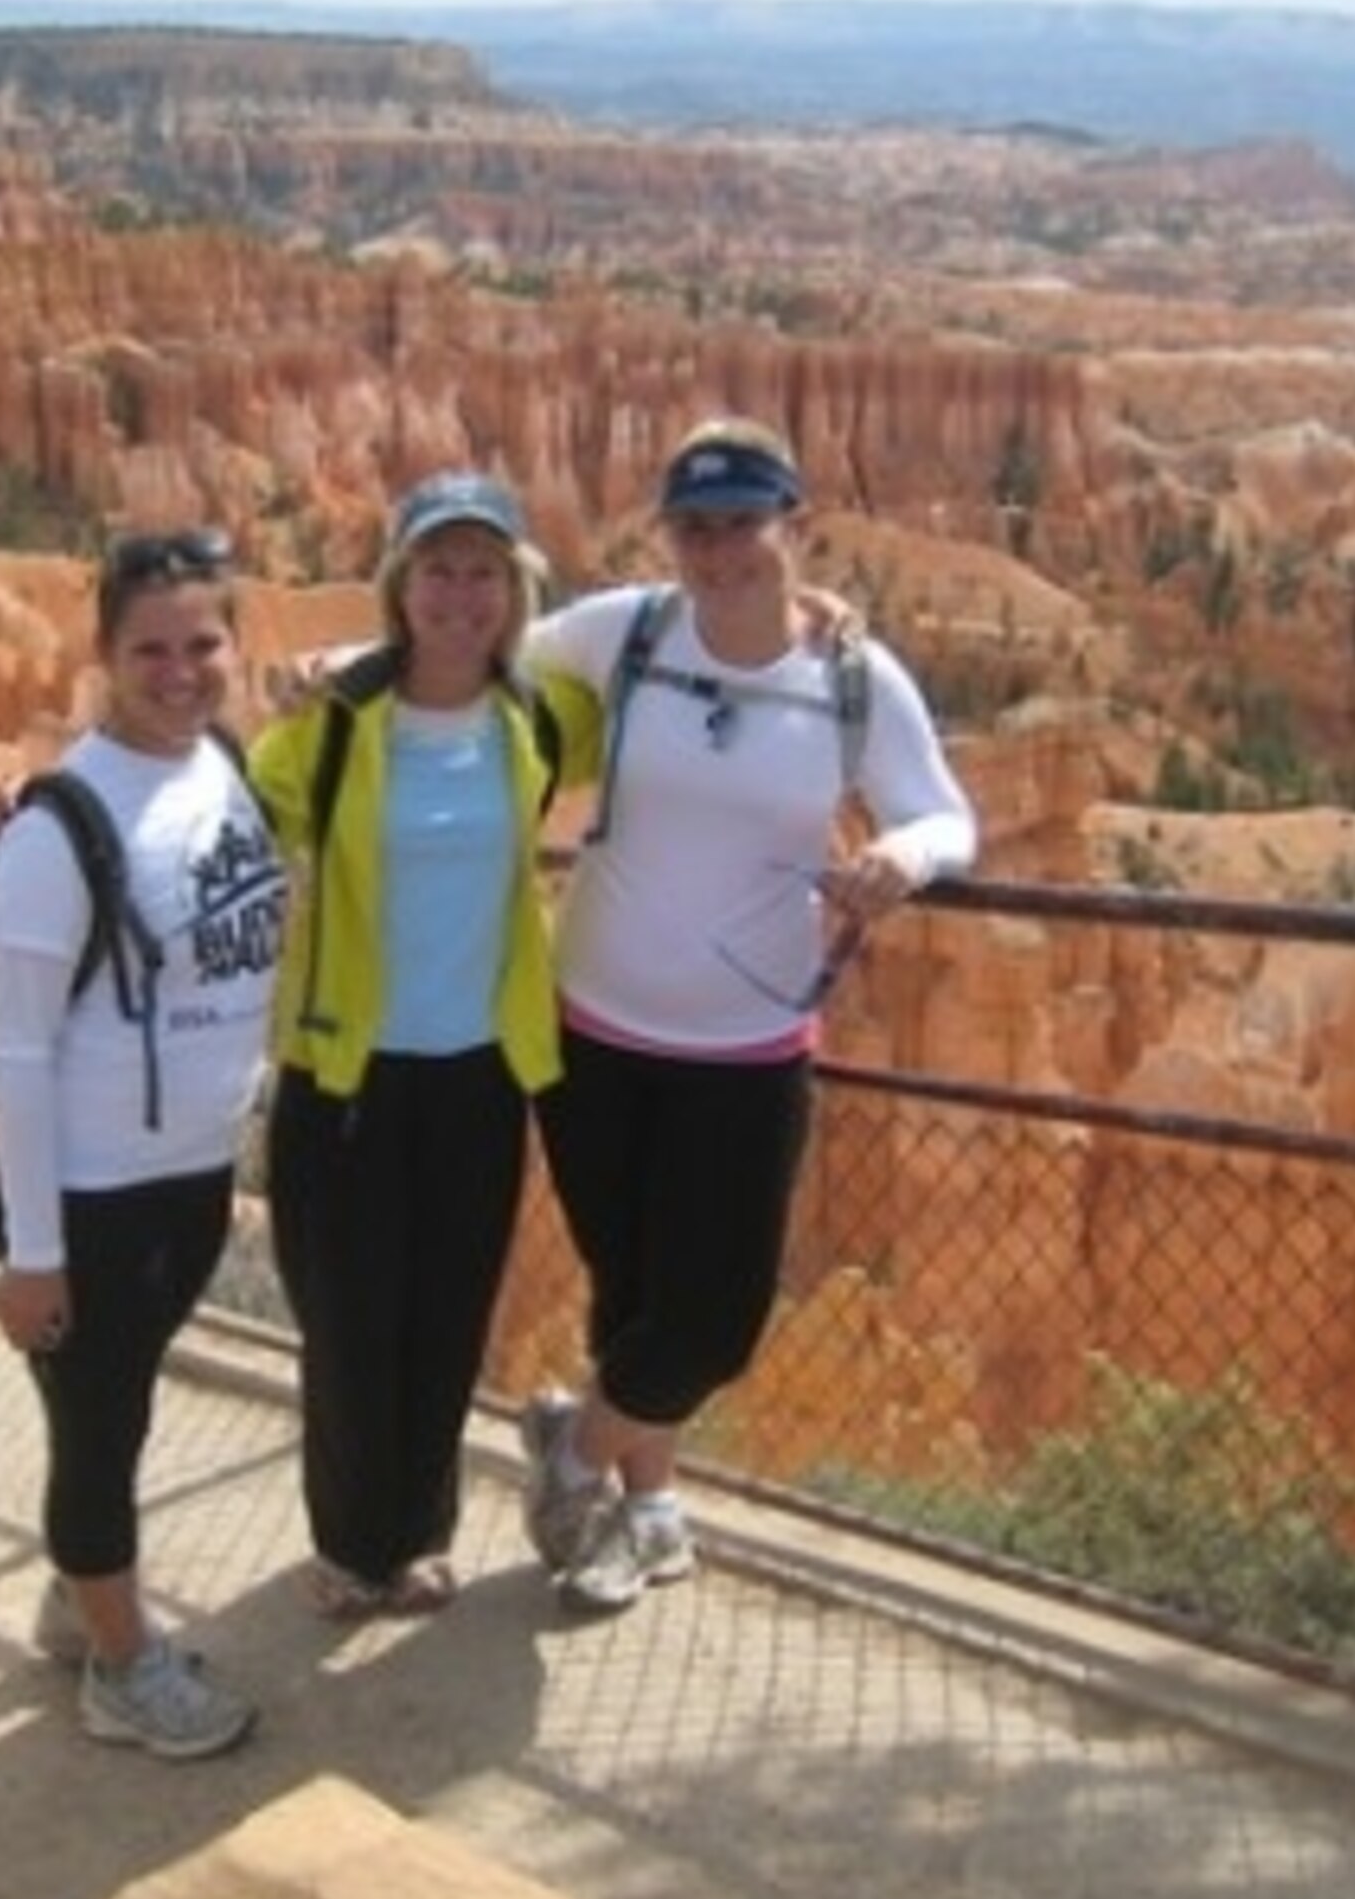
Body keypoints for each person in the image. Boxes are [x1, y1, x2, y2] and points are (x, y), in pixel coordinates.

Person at [517, 416, 979, 1614]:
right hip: (593, 1031)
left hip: (747, 1049)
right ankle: (645, 1513)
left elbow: (945, 814)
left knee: (716, 1318)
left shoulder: (852, 679)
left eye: (742, 525)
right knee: (631, 1293)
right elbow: (477, 645)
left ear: (795, 526)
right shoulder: (626, 631)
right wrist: (343, 661)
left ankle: (574, 1449)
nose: (718, 551)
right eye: (695, 528)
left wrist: (904, 859)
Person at [247, 470, 581, 1621]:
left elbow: (672, 661)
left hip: (480, 1071)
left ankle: (420, 1536)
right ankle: (351, 1546)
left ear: (514, 591)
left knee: (446, 1315)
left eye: (484, 572)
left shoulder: (538, 717)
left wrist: (814, 614)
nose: (460, 594)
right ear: (400, 585)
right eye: (438, 569)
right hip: (346, 1069)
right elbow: (237, 813)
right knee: (347, 1323)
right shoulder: (335, 721)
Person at [0, 526, 286, 1757]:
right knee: (100, 1435)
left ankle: (80, 1600)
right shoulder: (58, 827)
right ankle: (122, 1667)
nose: (179, 671)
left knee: (121, 1408)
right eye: (150, 649)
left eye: (202, 643)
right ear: (105, 654)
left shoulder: (224, 768)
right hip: (90, 1193)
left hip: (190, 1177)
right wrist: (33, 1253)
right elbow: (16, 1051)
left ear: (234, 647)